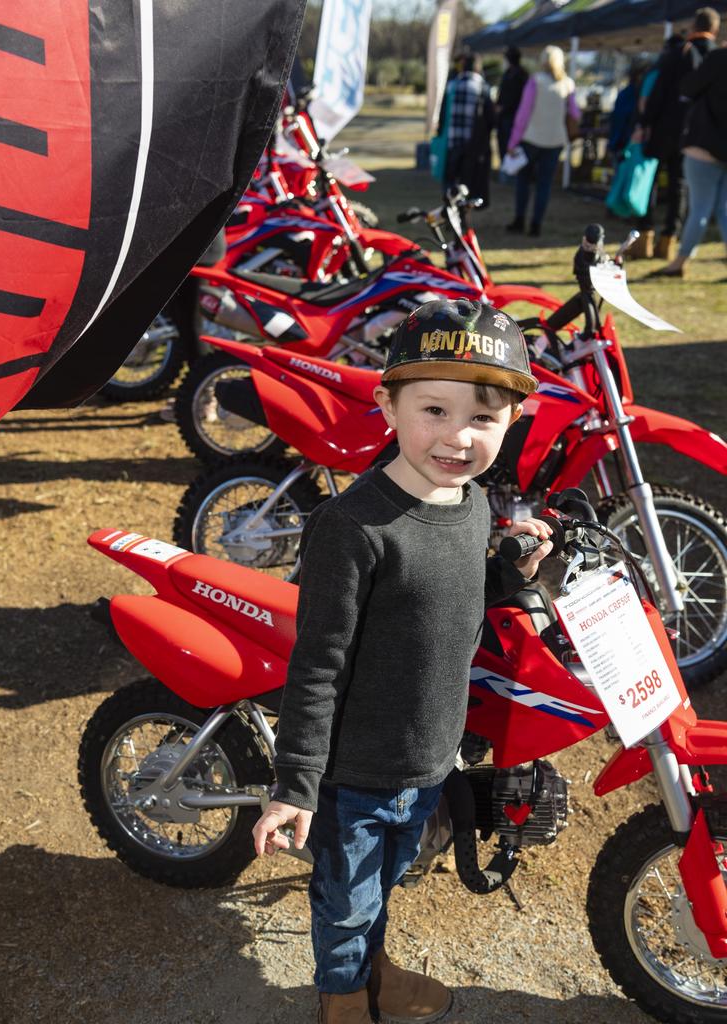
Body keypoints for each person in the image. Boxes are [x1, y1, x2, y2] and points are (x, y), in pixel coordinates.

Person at [251, 298, 553, 1024]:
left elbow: (455, 598)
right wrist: (296, 784)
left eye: (483, 418)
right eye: (435, 410)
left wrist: (515, 575)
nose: (457, 437)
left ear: (512, 421)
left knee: (381, 888)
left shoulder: (475, 504)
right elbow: (317, 666)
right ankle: (344, 1001)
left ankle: (376, 975)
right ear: (387, 404)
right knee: (345, 904)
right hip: (352, 777)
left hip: (428, 761)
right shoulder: (350, 529)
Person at [640, 7, 720, 261]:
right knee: (679, 188)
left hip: (667, 130)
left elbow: (658, 92)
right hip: (701, 137)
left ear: (694, 26)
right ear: (715, 29)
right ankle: (668, 241)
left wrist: (644, 123)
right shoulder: (716, 55)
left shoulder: (677, 54)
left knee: (651, 182)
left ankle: (645, 236)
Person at [656, 45, 727, 277]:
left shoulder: (718, 58)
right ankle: (681, 260)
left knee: (700, 209)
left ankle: (680, 261)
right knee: (722, 210)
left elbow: (688, 86)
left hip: (705, 147)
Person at [506, 45, 580, 237]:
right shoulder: (568, 84)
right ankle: (536, 224)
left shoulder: (536, 81)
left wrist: (513, 142)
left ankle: (520, 219)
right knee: (544, 185)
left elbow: (523, 114)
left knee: (524, 181)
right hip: (555, 141)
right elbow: (575, 113)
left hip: (531, 139)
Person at [439, 49, 495, 204]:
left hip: (452, 142)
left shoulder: (452, 85)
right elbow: (490, 119)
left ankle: (449, 211)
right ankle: (462, 215)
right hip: (472, 145)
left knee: (450, 181)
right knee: (466, 183)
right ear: (478, 66)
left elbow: (443, 115)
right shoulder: (482, 87)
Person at [496, 45, 528, 168]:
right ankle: (507, 169)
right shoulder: (516, 73)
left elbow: (512, 97)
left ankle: (510, 170)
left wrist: (501, 107)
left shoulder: (516, 75)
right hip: (509, 117)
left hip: (511, 117)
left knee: (509, 145)